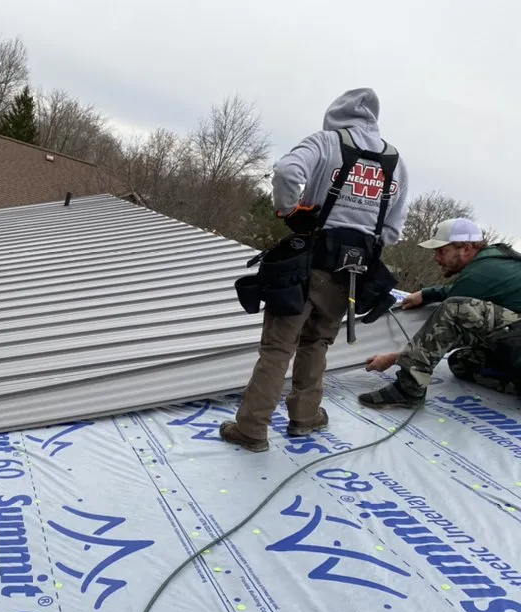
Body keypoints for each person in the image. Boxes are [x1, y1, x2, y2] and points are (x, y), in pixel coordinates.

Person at [220, 87, 411, 452]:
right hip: (353, 273)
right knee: (317, 343)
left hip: (307, 264)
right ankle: (305, 418)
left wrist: (290, 211)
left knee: (278, 349)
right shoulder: (395, 161)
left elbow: (287, 170)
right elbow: (392, 231)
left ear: (336, 114)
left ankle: (252, 429)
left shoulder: (326, 142)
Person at [360, 218, 521, 406]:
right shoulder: (492, 265)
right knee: (462, 363)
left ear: (467, 248)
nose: (436, 258)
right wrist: (427, 294)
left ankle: (408, 389)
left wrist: (396, 357)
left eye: (442, 251)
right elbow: (460, 292)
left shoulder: (479, 274)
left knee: (455, 309)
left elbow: (446, 329)